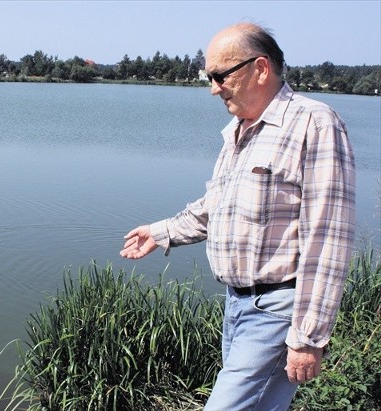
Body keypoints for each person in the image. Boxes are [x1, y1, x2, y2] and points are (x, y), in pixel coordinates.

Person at [120, 22, 356, 410]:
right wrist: (161, 232)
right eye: (208, 77)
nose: (213, 88)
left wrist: (308, 337)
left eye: (219, 76)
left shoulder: (315, 124)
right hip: (238, 306)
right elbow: (218, 207)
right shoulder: (240, 130)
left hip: (277, 310)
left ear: (260, 68)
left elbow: (328, 238)